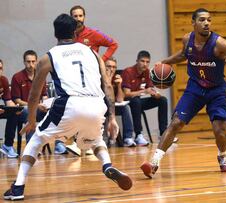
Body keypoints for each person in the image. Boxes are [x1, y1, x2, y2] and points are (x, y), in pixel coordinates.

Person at [3, 14, 132, 201]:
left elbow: (33, 94)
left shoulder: (48, 56)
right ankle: (107, 165)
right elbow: (108, 85)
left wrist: (31, 120)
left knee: (37, 139)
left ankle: (18, 187)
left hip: (70, 104)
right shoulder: (93, 53)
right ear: (75, 32)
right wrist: (111, 117)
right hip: (97, 104)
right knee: (96, 140)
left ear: (55, 33)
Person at [140, 8, 226, 178]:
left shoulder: (220, 44)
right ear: (193, 23)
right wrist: (165, 61)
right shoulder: (187, 39)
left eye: (209, 20)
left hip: (216, 90)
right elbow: (183, 54)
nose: (206, 23)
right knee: (175, 123)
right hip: (194, 88)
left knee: (220, 130)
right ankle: (154, 163)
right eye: (202, 20)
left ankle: (223, 156)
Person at [66, 5, 119, 155]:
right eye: (75, 16)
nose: (78, 19)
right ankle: (85, 142)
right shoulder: (68, 36)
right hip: (75, 79)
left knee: (93, 108)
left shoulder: (93, 33)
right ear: (71, 18)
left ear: (84, 17)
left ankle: (90, 142)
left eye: (80, 16)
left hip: (92, 78)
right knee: (78, 109)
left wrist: (101, 60)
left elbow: (113, 44)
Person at [121, 50, 169, 146]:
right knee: (136, 101)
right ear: (137, 61)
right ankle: (138, 135)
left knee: (162, 100)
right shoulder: (128, 72)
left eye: (147, 62)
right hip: (128, 102)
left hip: (138, 102)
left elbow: (150, 88)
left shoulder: (147, 72)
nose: (145, 64)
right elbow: (126, 94)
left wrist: (155, 94)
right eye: (142, 61)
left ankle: (163, 133)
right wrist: (143, 91)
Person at [10, 50, 49, 145]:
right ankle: (32, 146)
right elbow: (17, 100)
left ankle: (58, 145)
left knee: (55, 112)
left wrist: (46, 105)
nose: (31, 64)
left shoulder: (40, 75)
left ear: (36, 62)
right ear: (24, 62)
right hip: (23, 110)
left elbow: (44, 95)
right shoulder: (17, 77)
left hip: (38, 108)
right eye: (28, 62)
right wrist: (36, 106)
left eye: (33, 61)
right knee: (30, 112)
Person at [105, 57, 136, 147]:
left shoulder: (117, 78)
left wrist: (119, 86)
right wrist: (108, 81)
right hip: (103, 108)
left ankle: (128, 137)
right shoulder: (99, 78)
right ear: (104, 67)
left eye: (114, 67)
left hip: (114, 107)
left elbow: (120, 100)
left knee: (126, 108)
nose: (112, 69)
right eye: (109, 66)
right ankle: (104, 138)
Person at [0, 59, 21, 158]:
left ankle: (7, 146)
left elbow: (8, 100)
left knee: (14, 113)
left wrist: (15, 108)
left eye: (0, 68)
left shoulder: (3, 80)